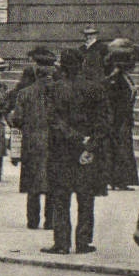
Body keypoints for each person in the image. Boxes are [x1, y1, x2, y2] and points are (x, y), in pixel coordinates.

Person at [44, 43, 110, 255]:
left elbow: (53, 120)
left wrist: (75, 137)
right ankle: (83, 242)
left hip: (61, 151)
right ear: (82, 64)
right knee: (86, 198)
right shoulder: (96, 88)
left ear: (62, 66)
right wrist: (89, 145)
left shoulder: (54, 89)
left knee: (61, 198)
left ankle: (61, 243)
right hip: (86, 153)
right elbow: (104, 122)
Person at [8, 50, 61, 232]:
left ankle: (32, 221)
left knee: (33, 185)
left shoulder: (24, 93)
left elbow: (17, 121)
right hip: (54, 144)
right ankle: (50, 222)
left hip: (31, 144)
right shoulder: (60, 92)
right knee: (53, 184)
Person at [101, 43, 139, 195]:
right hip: (118, 120)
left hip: (124, 119)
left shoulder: (124, 78)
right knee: (118, 150)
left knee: (123, 150)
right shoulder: (115, 79)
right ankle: (117, 180)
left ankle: (121, 180)